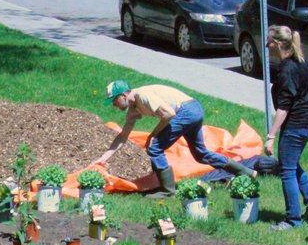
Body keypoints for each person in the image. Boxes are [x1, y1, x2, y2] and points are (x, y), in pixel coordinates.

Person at [93, 80, 255, 194]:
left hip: (187, 111)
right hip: (194, 109)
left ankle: (168, 190)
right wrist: (103, 158)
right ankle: (246, 172)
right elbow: (122, 137)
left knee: (155, 148)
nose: (114, 105)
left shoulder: (143, 96)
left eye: (114, 101)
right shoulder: (133, 110)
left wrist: (153, 134)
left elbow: (169, 114)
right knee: (200, 154)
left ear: (123, 95)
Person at [264, 25, 308, 230]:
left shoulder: (287, 69)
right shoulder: (299, 61)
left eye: (269, 42)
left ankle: (292, 220)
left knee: (286, 170)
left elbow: (284, 106)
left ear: (278, 44)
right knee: (292, 164)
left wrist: (271, 135)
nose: (266, 45)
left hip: (297, 123)